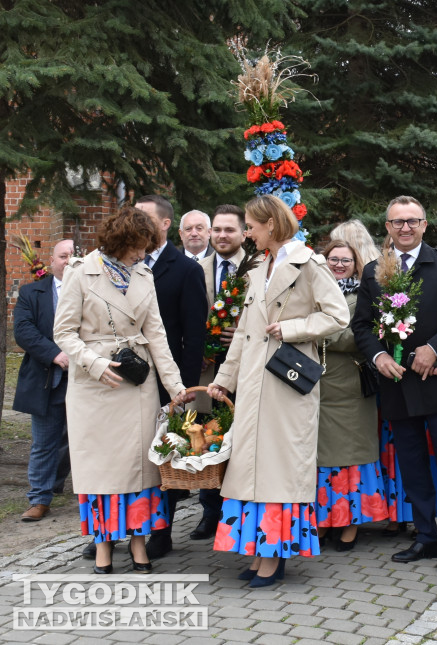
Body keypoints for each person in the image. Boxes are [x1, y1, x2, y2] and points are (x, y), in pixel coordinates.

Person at [208, 195, 348, 587]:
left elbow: (338, 315)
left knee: (279, 471)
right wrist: (224, 379)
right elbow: (244, 335)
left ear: (271, 224)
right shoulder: (258, 266)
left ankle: (274, 557)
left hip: (287, 384)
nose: (246, 233)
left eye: (251, 225)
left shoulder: (309, 263)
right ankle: (258, 551)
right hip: (254, 383)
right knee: (250, 468)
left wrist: (292, 329)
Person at [53, 206, 188, 574]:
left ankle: (139, 546)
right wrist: (94, 364)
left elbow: (158, 336)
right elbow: (63, 333)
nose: (143, 254)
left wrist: (175, 387)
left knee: (139, 471)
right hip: (95, 386)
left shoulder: (144, 274)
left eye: (148, 246)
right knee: (101, 473)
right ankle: (102, 548)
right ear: (121, 240)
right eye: (138, 245)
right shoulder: (81, 272)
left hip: (136, 384)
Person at [351, 196, 437, 575]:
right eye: (397, 222)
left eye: (412, 221)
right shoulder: (374, 271)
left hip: (436, 382)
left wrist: (434, 348)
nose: (405, 228)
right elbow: (362, 326)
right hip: (397, 384)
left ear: (424, 225)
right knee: (412, 465)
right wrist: (379, 357)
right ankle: (425, 536)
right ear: (387, 228)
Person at [133, 195, 208, 559]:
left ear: (165, 224)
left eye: (144, 218)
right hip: (126, 380)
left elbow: (194, 338)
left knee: (162, 456)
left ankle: (160, 531)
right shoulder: (125, 264)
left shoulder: (185, 270)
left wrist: (186, 390)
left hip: (168, 380)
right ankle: (115, 529)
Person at [315, 240, 389, 551]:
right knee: (319, 460)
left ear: (355, 264)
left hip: (351, 388)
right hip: (315, 386)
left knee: (353, 458)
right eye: (333, 259)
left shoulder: (363, 295)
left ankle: (351, 524)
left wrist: (313, 329)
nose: (339, 264)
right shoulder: (311, 290)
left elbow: (361, 336)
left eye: (346, 260)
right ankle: (321, 521)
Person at [189, 204, 251, 541]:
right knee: (207, 438)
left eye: (229, 230)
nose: (222, 235)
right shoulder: (195, 268)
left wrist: (241, 327)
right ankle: (209, 512)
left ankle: (239, 510)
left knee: (241, 442)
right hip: (207, 371)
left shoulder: (257, 268)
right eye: (217, 229)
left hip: (246, 370)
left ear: (244, 233)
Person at [14, 240, 74, 522]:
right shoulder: (31, 292)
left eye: (73, 256)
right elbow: (24, 331)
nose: (67, 261)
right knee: (44, 442)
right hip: (47, 378)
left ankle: (92, 494)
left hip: (84, 380)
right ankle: (39, 498)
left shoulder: (93, 292)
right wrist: (55, 354)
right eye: (63, 256)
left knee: (82, 440)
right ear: (51, 261)